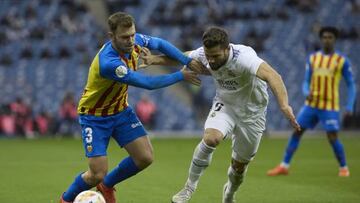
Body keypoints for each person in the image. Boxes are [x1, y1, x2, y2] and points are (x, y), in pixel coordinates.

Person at [144, 26, 300, 203]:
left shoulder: (244, 57)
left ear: (227, 49)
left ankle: (230, 193)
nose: (210, 60)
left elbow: (273, 76)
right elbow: (182, 56)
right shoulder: (205, 54)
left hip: (252, 114)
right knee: (211, 138)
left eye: (215, 56)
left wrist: (284, 106)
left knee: (239, 166)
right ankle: (188, 188)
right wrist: (154, 59)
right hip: (225, 105)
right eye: (208, 55)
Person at [60, 12, 202, 203]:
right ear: (112, 36)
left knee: (144, 157)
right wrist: (180, 76)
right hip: (95, 117)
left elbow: (159, 43)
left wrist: (187, 60)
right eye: (125, 37)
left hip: (120, 110)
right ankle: (66, 200)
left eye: (133, 35)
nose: (130, 40)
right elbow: (148, 83)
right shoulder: (109, 63)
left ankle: (107, 185)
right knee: (96, 173)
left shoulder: (134, 41)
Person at [267, 26, 356, 177]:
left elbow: (351, 84)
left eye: (330, 37)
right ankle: (284, 166)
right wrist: (306, 92)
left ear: (335, 39)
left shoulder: (341, 61)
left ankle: (343, 167)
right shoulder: (313, 59)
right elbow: (306, 82)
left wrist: (349, 105)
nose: (327, 40)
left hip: (330, 106)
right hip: (311, 106)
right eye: (325, 37)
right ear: (321, 39)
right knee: (297, 131)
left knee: (332, 137)